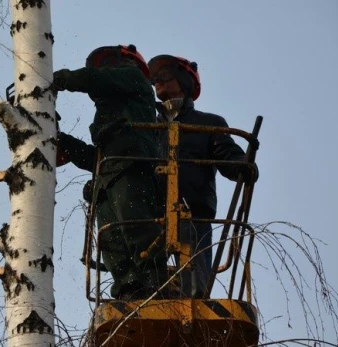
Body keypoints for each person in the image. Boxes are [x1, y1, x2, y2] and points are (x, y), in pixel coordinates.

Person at [53, 45, 166, 300]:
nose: (103, 70)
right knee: (111, 239)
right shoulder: (108, 113)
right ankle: (128, 288)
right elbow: (97, 158)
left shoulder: (133, 78)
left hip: (133, 162)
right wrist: (63, 142)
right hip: (108, 174)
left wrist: (61, 79)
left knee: (136, 224)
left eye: (106, 64)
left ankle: (154, 284)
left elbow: (99, 79)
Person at [147, 54, 259, 297]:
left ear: (184, 82)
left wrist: (243, 165)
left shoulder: (208, 124)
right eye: (154, 78)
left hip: (193, 214)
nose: (157, 81)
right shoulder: (146, 128)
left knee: (195, 290)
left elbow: (228, 156)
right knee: (146, 288)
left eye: (165, 75)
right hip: (149, 218)